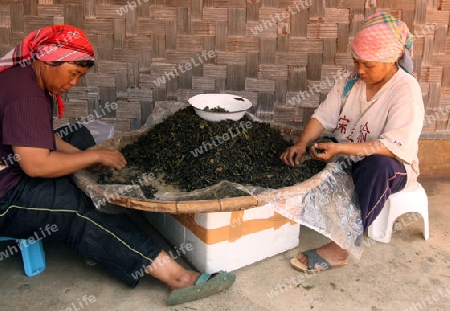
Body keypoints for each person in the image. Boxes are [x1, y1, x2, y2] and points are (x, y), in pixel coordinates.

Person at [0, 24, 235, 306]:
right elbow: (35, 166)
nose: (73, 83)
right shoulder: (25, 95)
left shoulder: (24, 77)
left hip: (13, 161)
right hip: (7, 195)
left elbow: (39, 134)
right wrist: (93, 157)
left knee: (80, 136)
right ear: (49, 60)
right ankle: (177, 277)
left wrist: (78, 156)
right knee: (76, 208)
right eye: (73, 74)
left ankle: (81, 188)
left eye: (79, 77)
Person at [280, 12, 424, 273]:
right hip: (347, 155)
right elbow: (324, 117)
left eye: (368, 65)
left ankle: (341, 247)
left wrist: (339, 148)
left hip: (391, 166)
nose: (360, 70)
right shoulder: (349, 82)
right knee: (314, 147)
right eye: (356, 61)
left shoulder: (405, 90)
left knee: (377, 166)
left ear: (392, 59)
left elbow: (391, 146)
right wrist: (302, 144)